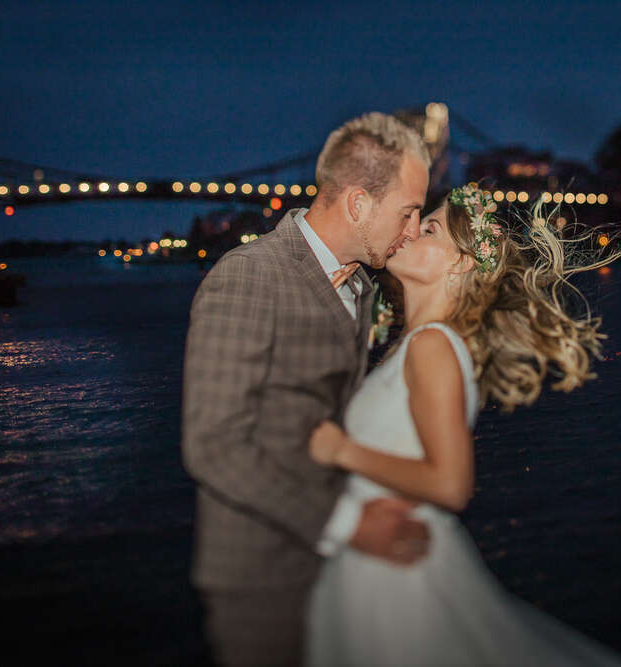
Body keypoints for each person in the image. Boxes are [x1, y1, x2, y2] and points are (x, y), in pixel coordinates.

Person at [307, 185, 621, 666]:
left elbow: (450, 484)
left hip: (397, 581)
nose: (408, 230)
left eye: (428, 228)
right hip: (375, 559)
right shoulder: (414, 346)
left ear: (462, 262)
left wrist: (341, 450)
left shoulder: (434, 346)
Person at [181, 112, 435, 666]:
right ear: (358, 204)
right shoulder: (249, 276)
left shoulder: (363, 284)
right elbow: (213, 444)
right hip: (261, 577)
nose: (414, 229)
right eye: (409, 211)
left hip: (338, 568)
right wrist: (347, 524)